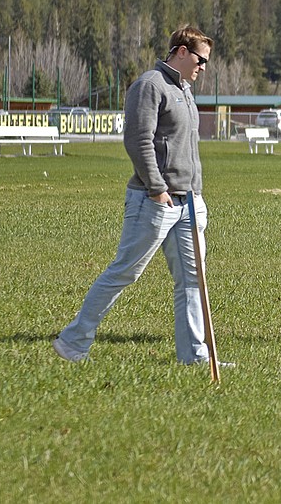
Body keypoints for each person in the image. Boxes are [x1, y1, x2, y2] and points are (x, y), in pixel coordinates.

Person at [53, 25, 222, 366]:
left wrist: (194, 195)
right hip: (153, 200)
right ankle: (73, 342)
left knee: (192, 281)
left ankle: (194, 356)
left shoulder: (184, 91)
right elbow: (138, 140)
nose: (203, 67)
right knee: (124, 272)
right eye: (201, 59)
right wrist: (158, 189)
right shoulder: (150, 85)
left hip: (190, 202)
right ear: (181, 51)